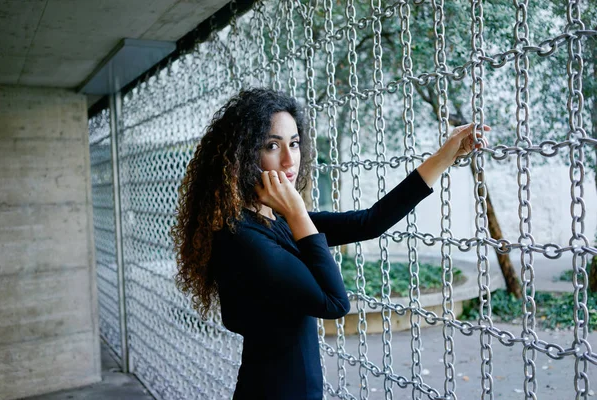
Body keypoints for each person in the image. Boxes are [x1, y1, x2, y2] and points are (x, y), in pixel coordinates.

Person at [171, 88, 489, 399]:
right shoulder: (240, 236)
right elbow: (334, 303)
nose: (288, 160)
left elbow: (370, 222)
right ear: (243, 154)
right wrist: (297, 212)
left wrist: (443, 157)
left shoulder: (271, 220)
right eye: (272, 145)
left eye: (294, 144)